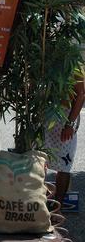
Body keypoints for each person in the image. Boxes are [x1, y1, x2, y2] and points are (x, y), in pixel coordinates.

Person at [44, 72, 84, 209]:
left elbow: (81, 94)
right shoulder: (45, 59)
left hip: (65, 115)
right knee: (40, 159)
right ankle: (40, 202)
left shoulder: (73, 64)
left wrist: (70, 124)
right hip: (44, 113)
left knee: (64, 164)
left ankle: (58, 207)